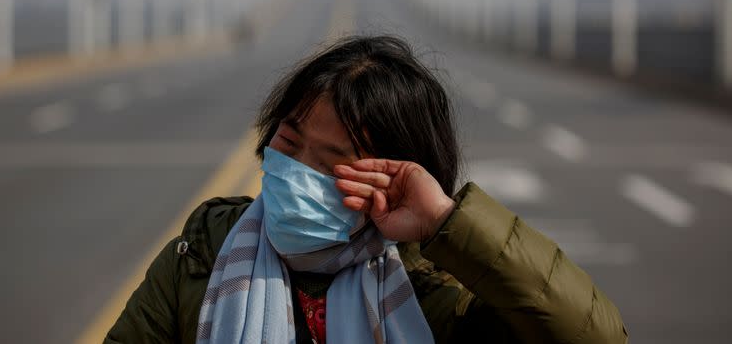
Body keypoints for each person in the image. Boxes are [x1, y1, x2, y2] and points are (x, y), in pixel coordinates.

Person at [105, 35, 628, 343]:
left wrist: (449, 224)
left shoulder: (436, 289)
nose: (297, 171)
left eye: (335, 164)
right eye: (289, 140)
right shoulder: (203, 254)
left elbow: (595, 338)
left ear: (396, 178)